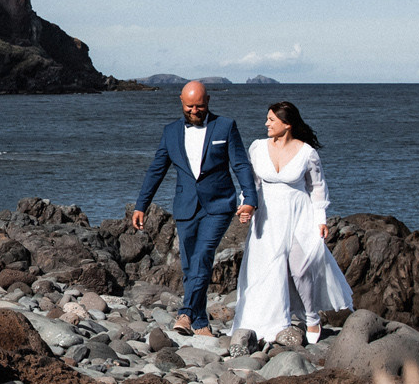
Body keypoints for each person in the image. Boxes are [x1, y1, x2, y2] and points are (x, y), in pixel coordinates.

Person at [128, 80, 259, 333]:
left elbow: (241, 165)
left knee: (202, 256)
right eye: (190, 107)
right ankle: (201, 323)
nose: (195, 111)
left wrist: (250, 199)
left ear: (208, 101)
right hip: (186, 206)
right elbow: (156, 170)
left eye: (199, 106)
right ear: (181, 101)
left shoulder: (226, 127)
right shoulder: (170, 132)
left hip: (218, 205)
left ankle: (186, 313)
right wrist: (141, 205)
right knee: (189, 265)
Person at [234, 100, 353, 343]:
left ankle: (311, 317)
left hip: (300, 216)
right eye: (267, 118)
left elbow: (318, 188)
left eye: (271, 120)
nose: (266, 123)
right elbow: (251, 183)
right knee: (268, 270)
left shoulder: (307, 152)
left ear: (287, 125)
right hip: (267, 217)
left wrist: (321, 219)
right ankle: (272, 323)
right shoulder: (257, 147)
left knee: (301, 268)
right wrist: (246, 205)